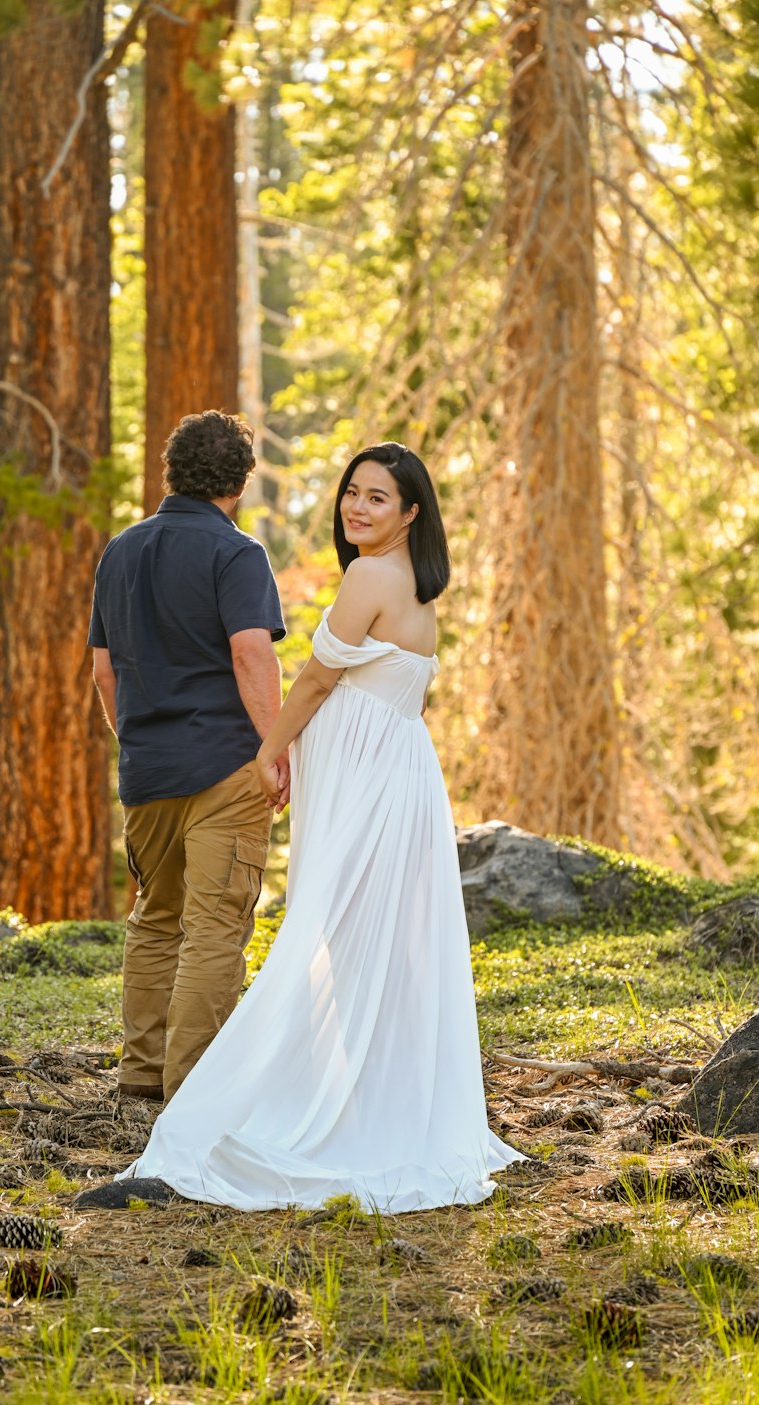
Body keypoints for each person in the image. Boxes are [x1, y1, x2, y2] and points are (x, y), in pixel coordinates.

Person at [78, 441, 522, 1213]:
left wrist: (268, 751)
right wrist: (272, 753)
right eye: (353, 492)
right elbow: (297, 668)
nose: (356, 507)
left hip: (329, 774)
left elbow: (314, 677)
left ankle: (192, 1089)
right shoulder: (409, 583)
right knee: (344, 935)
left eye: (377, 498)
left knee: (272, 927)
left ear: (412, 512)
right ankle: (342, 1090)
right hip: (387, 770)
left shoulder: (364, 575)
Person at [87, 410, 286, 1105]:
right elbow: (250, 652)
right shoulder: (237, 554)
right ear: (240, 481)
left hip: (148, 771)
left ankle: (142, 1074)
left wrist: (135, 741)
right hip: (225, 765)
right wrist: (276, 745)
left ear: (171, 470)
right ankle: (194, 1091)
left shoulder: (120, 550)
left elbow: (104, 672)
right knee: (214, 928)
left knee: (154, 919)